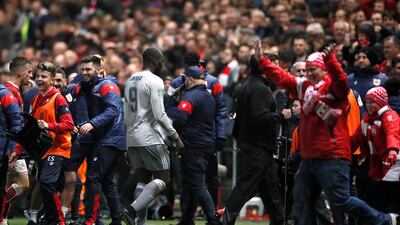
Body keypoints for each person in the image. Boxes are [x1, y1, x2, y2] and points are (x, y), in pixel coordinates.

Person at [253, 38, 399, 225]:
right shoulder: (305, 87)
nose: (308, 72)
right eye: (307, 69)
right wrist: (262, 61)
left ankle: (385, 220)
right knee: (302, 199)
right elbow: (282, 77)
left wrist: (332, 61)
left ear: (323, 70)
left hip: (332, 156)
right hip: (310, 157)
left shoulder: (334, 88)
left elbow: (341, 82)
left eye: (312, 69)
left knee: (341, 200)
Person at [121, 47, 183, 225]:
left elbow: (126, 114)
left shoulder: (130, 79)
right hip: (149, 136)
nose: (163, 64)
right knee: (163, 179)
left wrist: (127, 141)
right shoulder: (155, 80)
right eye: (161, 60)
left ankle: (141, 222)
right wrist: (175, 137)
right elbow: (160, 114)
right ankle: (131, 210)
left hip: (132, 137)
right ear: (155, 61)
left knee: (143, 179)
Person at [223, 55, 287, 225]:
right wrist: (281, 115)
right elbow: (260, 117)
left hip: (257, 147)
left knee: (271, 190)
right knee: (244, 188)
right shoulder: (259, 88)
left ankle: (279, 221)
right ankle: (224, 222)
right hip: (257, 149)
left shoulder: (248, 85)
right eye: (272, 66)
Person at [168, 52, 227, 211]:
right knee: (188, 179)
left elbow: (221, 110)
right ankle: (190, 216)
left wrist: (220, 135)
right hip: (189, 136)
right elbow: (169, 107)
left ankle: (213, 212)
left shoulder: (212, 82)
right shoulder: (177, 83)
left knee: (210, 178)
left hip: (203, 136)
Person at [76, 55, 126, 225]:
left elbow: (113, 110)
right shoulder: (92, 85)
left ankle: (92, 220)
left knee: (93, 178)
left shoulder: (108, 85)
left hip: (109, 139)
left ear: (100, 70)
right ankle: (117, 220)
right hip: (109, 139)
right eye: (82, 69)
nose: (84, 72)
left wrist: (92, 124)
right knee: (107, 182)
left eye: (88, 69)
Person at [166, 66, 217, 225]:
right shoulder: (209, 96)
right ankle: (187, 219)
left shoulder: (191, 96)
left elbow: (181, 119)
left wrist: (174, 135)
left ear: (190, 79)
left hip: (192, 145)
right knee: (191, 184)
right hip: (206, 143)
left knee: (196, 184)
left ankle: (212, 219)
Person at [30, 61, 74, 225]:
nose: (40, 79)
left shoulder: (58, 99)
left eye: (44, 76)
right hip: (43, 149)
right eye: (38, 76)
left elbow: (69, 125)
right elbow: (32, 128)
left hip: (58, 148)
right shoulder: (36, 99)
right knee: (44, 183)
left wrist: (49, 126)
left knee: (47, 182)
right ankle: (51, 220)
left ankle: (59, 220)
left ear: (51, 79)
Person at [351, 87, 400, 214]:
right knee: (377, 199)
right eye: (367, 102)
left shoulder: (389, 116)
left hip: (392, 165)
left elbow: (392, 133)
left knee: (390, 199)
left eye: (372, 102)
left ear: (380, 102)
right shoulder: (366, 121)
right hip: (376, 165)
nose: (368, 105)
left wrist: (392, 151)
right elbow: (356, 140)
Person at [0, 56, 32, 225]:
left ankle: (3, 218)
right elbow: (15, 124)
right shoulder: (11, 94)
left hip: (10, 145)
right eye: (29, 72)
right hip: (12, 146)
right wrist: (15, 148)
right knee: (24, 184)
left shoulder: (10, 91)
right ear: (20, 73)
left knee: (11, 184)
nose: (31, 76)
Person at [0, 81, 23, 225]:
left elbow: (17, 123)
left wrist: (13, 147)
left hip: (3, 151)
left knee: (24, 184)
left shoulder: (5, 95)